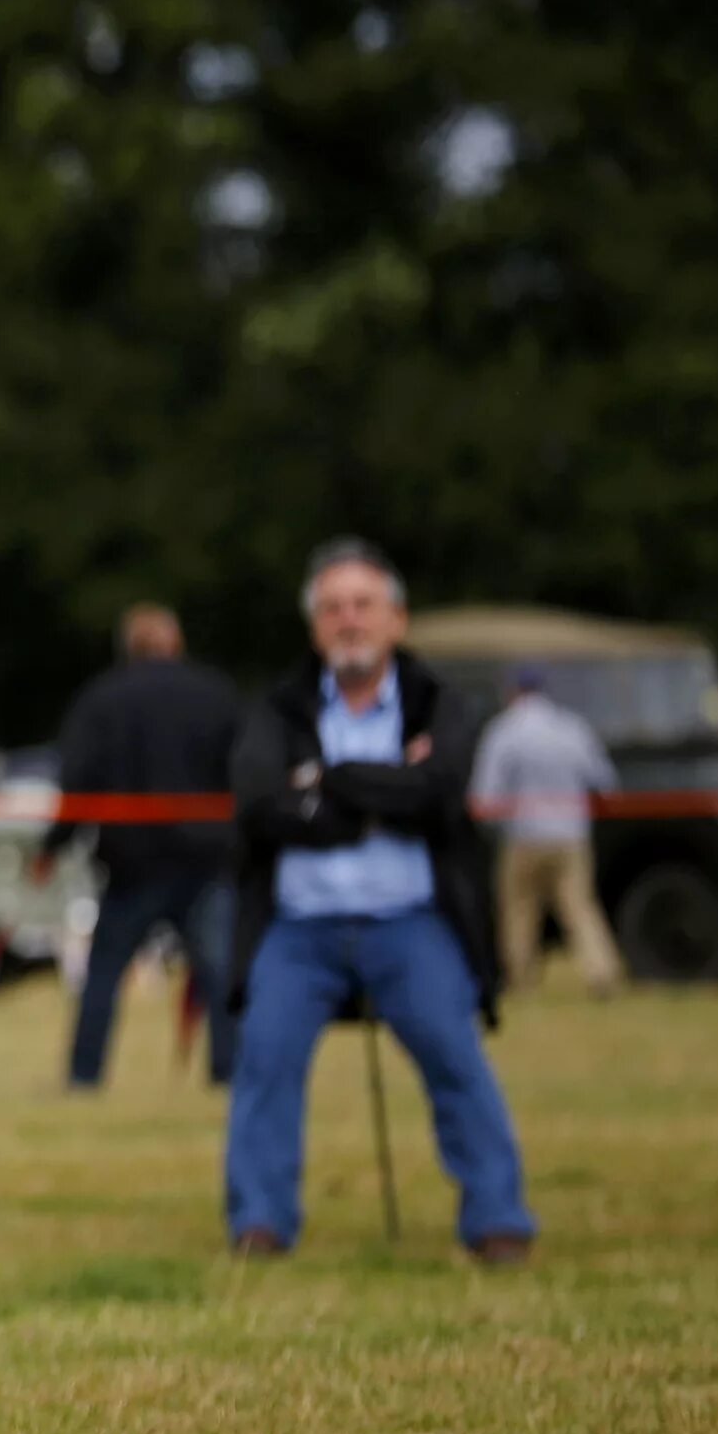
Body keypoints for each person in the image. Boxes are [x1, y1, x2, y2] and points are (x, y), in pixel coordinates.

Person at [225, 539, 534, 1263]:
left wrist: (328, 781)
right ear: (314, 627)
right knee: (263, 1057)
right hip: (299, 931)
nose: (349, 620)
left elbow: (442, 791)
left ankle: (498, 1219)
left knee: (455, 1054)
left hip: (410, 923)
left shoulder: (441, 704)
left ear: (397, 619)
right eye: (332, 608)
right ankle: (259, 1222)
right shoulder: (276, 708)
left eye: (363, 605)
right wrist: (388, 786)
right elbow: (262, 805)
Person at [38, 603, 244, 1087]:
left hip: (132, 864)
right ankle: (230, 1072)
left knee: (104, 978)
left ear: (127, 649)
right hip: (206, 859)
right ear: (176, 643)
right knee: (220, 974)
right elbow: (246, 775)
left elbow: (78, 783)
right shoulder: (216, 696)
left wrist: (53, 847)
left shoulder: (102, 701)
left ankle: (84, 1076)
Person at [471, 669, 623, 997]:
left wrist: (489, 825)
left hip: (524, 834)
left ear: (513, 691)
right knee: (580, 906)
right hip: (571, 835)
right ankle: (601, 972)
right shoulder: (572, 727)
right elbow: (604, 781)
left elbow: (486, 793)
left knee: (519, 908)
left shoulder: (504, 730)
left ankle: (521, 980)